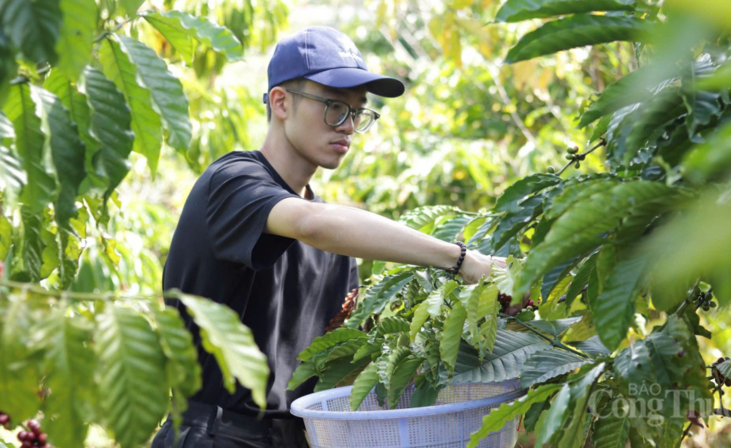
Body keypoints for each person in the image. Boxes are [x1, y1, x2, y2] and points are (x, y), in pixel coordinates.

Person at [151, 26, 504, 448]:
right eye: (334, 106)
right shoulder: (232, 183)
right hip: (214, 435)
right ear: (281, 102)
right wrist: (461, 259)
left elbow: (332, 366)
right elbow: (311, 224)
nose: (349, 126)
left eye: (358, 113)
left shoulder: (338, 250)